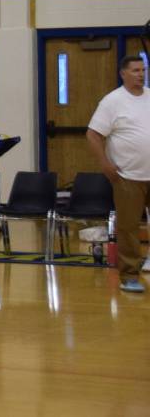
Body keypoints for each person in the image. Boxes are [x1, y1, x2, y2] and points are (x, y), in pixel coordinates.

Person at [87, 55, 150, 294]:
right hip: (127, 176)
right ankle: (129, 275)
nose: (140, 75)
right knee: (128, 227)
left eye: (143, 70)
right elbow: (93, 135)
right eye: (135, 70)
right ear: (123, 73)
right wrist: (105, 164)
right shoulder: (112, 101)